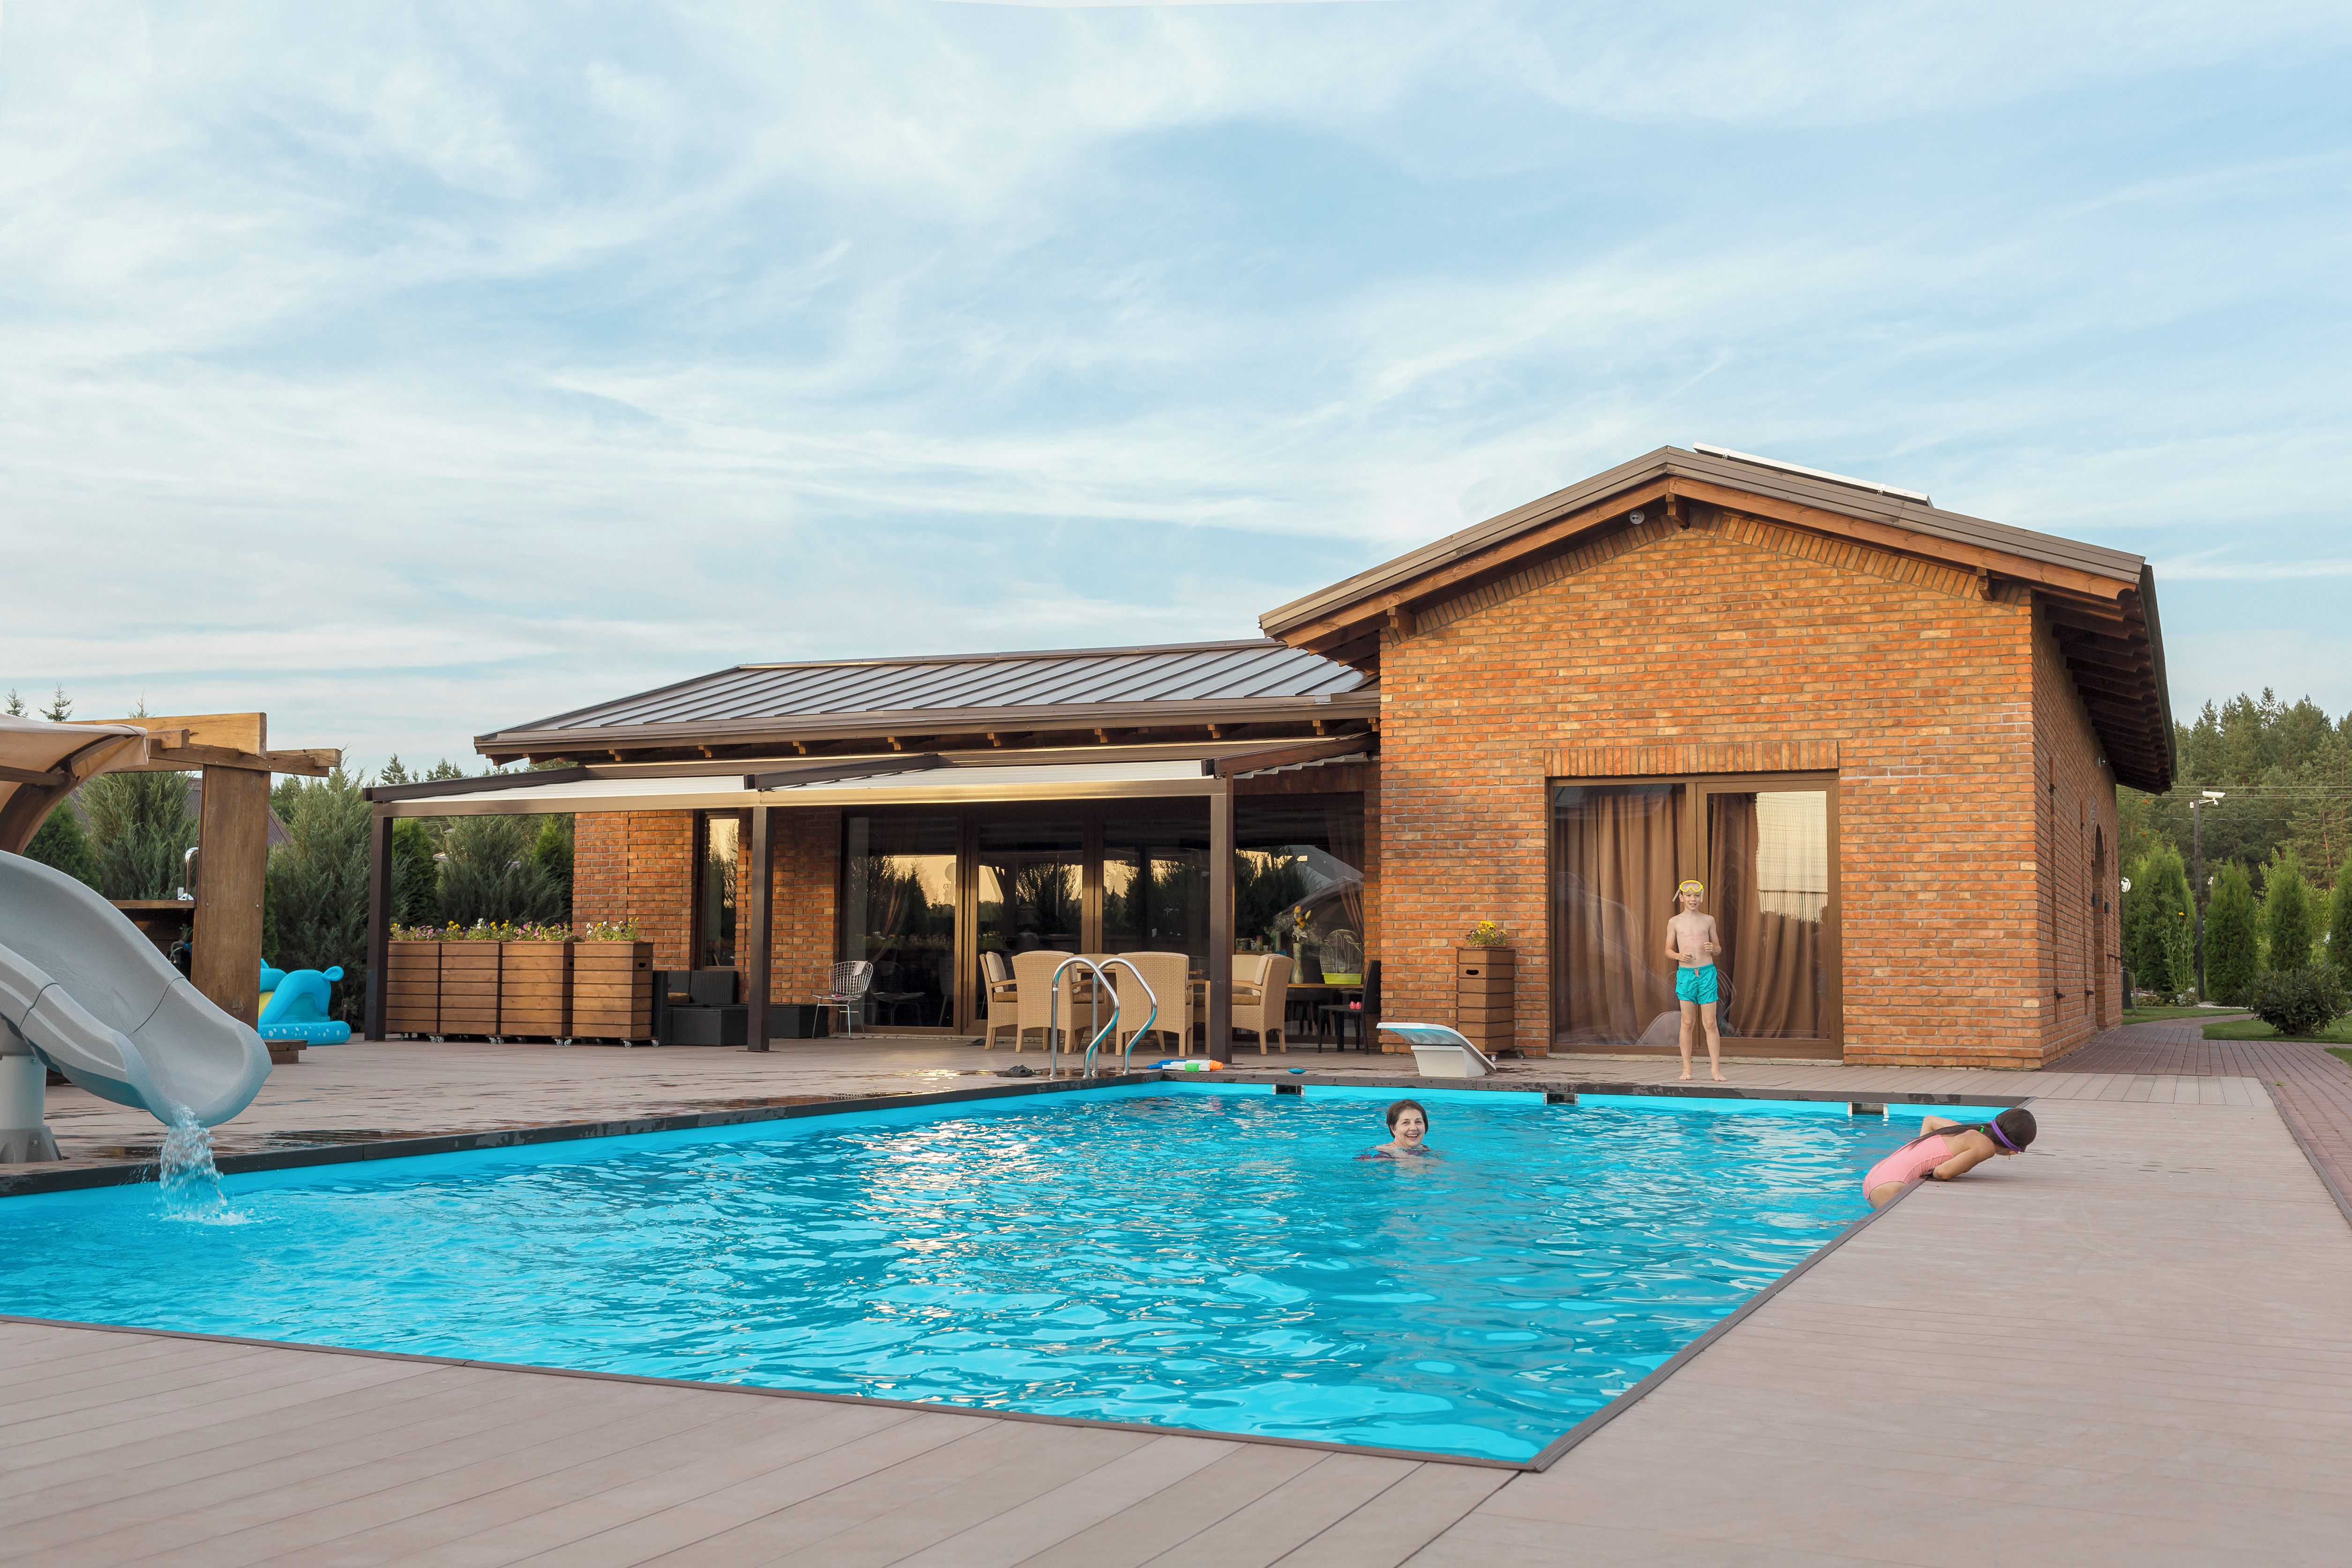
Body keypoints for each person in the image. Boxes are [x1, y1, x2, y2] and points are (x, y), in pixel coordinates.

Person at [1864, 1108, 2038, 1208]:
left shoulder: (1960, 1129)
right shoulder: (1986, 1147)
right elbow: (1943, 1172)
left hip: (1876, 1175)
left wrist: (1920, 1151)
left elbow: (1929, 1120)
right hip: (1891, 1186)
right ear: (2014, 1150)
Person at [1664, 879, 1725, 1083]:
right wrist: (1678, 956)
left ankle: (1715, 1070)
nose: (1693, 899)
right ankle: (1687, 1068)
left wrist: (1713, 949)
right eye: (1689, 896)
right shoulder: (1675, 922)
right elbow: (1668, 951)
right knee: (1688, 1022)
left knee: (1710, 1022)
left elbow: (1718, 948)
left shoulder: (1709, 920)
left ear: (1701, 898)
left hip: (1707, 973)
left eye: (1697, 896)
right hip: (1686, 975)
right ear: (1681, 898)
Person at [1362, 1098, 1439, 1159]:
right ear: (1393, 1129)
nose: (1413, 1128)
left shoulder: (1427, 1151)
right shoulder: (1381, 1153)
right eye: (1406, 1123)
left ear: (1425, 1126)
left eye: (1418, 1122)